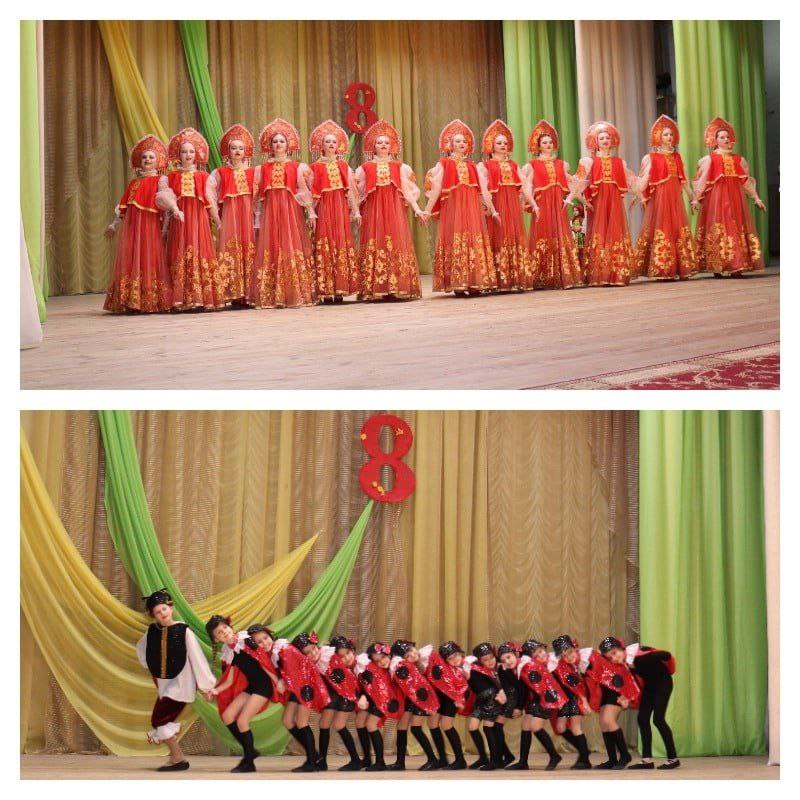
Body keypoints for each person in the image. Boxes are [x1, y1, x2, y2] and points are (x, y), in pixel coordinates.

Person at [135, 589, 215, 771]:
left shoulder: (183, 631)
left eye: (164, 609)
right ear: (153, 615)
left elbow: (197, 658)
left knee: (159, 720)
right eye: (157, 612)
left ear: (170, 608)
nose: (162, 613)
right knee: (159, 720)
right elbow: (142, 649)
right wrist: (152, 665)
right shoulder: (152, 632)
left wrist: (206, 686)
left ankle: (178, 758)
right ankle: (177, 758)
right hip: (166, 686)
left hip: (182, 686)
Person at [423, 119, 497, 296]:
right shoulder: (445, 163)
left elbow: (483, 190)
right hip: (453, 208)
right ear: (450, 145)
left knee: (472, 240)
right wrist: (427, 209)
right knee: (456, 239)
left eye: (464, 141)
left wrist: (493, 210)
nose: (462, 143)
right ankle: (458, 283)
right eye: (457, 141)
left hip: (472, 208)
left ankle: (474, 282)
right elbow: (436, 187)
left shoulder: (472, 165)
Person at [354, 119, 425, 300]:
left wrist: (417, 209)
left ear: (392, 146)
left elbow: (407, 191)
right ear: (373, 146)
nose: (383, 145)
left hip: (394, 211)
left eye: (386, 142)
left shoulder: (400, 167)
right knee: (376, 242)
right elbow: (358, 192)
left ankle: (396, 286)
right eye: (380, 142)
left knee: (395, 243)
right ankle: (375, 288)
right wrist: (354, 211)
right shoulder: (364, 168)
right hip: (374, 211)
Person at [250, 118, 316, 308]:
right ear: (270, 146)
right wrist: (257, 219)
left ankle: (294, 292)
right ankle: (272, 294)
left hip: (290, 211)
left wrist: (310, 211)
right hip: (271, 212)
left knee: (290, 244)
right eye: (275, 141)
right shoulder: (261, 169)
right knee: (272, 246)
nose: (278, 144)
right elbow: (258, 198)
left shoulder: (297, 167)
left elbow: (303, 190)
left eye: (282, 141)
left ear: (288, 145)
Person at [103, 134, 173, 313]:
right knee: (132, 258)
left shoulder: (160, 180)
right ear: (139, 161)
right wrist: (113, 225)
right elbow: (124, 208)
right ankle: (131, 300)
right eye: (144, 157)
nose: (147, 160)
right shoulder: (134, 183)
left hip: (150, 228)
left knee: (149, 258)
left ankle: (149, 300)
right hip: (132, 229)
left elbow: (166, 204)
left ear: (158, 161)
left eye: (151, 157)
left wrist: (166, 227)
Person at [158, 128, 225, 309]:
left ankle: (200, 297)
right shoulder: (170, 177)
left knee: (199, 250)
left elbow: (210, 202)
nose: (188, 155)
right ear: (178, 154)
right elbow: (166, 204)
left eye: (191, 152)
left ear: (197, 155)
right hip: (179, 219)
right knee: (179, 251)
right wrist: (166, 225)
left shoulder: (204, 177)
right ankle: (180, 298)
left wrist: (218, 222)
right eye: (184, 152)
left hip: (198, 219)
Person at [694, 116, 766, 276]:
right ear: (715, 140)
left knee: (735, 226)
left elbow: (745, 181)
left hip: (735, 198)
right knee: (719, 227)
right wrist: (696, 198)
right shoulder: (709, 160)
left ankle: (736, 265)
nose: (726, 139)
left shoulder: (738, 159)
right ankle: (717, 265)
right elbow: (702, 180)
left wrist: (756, 197)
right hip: (717, 200)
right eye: (722, 137)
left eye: (727, 137)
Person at [633, 115, 698, 280]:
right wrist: (638, 193)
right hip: (660, 200)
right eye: (665, 134)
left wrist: (693, 197)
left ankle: (680, 267)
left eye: (671, 134)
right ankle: (663, 268)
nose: (669, 137)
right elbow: (644, 179)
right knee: (663, 228)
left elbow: (684, 181)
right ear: (658, 137)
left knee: (677, 229)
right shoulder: (651, 158)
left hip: (675, 199)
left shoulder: (677, 157)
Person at [521, 120, 583, 289]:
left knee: (560, 234)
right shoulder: (532, 165)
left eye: (550, 142)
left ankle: (562, 276)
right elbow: (526, 186)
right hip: (543, 204)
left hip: (558, 204)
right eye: (544, 143)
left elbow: (574, 182)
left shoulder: (561, 164)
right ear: (538, 146)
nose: (548, 145)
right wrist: (532, 204)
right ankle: (542, 277)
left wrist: (571, 197)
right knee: (543, 234)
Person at [575, 121, 637, 286]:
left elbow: (632, 181)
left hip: (614, 202)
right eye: (601, 138)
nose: (605, 140)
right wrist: (584, 201)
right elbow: (577, 184)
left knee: (615, 231)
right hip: (598, 202)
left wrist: (641, 196)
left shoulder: (619, 162)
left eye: (607, 138)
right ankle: (600, 273)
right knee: (600, 231)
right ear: (595, 142)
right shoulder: (588, 161)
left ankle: (616, 272)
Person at [476, 120, 535, 291]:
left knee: (513, 235)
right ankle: (497, 279)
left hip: (512, 206)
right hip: (497, 204)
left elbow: (524, 186)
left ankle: (515, 278)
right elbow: (481, 189)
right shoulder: (485, 165)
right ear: (491, 146)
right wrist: (489, 208)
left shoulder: (513, 165)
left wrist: (532, 203)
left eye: (505, 143)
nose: (503, 145)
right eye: (499, 143)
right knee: (498, 236)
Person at [307, 119, 360, 303]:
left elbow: (350, 191)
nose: (330, 144)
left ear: (339, 146)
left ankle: (340, 289)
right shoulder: (314, 167)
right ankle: (326, 290)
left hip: (340, 209)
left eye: (333, 142)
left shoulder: (344, 166)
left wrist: (356, 211)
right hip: (323, 208)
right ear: (321, 146)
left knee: (340, 243)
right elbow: (310, 193)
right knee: (324, 243)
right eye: (327, 141)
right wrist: (311, 212)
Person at [206, 124, 255, 305]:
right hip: (230, 216)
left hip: (247, 216)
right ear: (228, 151)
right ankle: (232, 292)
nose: (237, 151)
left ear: (246, 151)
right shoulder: (220, 172)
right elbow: (210, 195)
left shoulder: (253, 172)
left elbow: (258, 199)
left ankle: (249, 293)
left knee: (249, 248)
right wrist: (217, 220)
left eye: (241, 148)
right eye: (234, 148)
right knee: (230, 249)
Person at [628, 643, 680, 769]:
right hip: (649, 686)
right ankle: (647, 761)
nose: (614, 657)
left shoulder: (640, 655)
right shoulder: (625, 662)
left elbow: (666, 655)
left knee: (658, 720)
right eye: (611, 656)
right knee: (642, 719)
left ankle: (673, 759)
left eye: (615, 653)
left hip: (663, 684)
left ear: (622, 650)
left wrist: (651, 654)